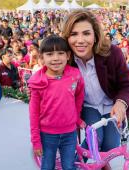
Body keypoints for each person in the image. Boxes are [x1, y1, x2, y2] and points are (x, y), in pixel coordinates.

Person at [61, 10, 129, 170]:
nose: (80, 40)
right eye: (74, 34)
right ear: (67, 37)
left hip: (111, 105)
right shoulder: (65, 59)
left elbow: (127, 84)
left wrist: (122, 103)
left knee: (110, 147)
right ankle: (72, 165)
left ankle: (101, 163)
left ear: (95, 36)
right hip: (87, 106)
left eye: (86, 33)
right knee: (95, 138)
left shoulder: (112, 53)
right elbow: (48, 77)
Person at [28, 35, 85, 170]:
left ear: (68, 55)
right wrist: (36, 140)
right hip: (47, 135)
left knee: (69, 166)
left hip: (70, 134)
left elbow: (79, 96)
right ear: (41, 58)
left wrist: (76, 118)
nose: (55, 58)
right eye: (49, 54)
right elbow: (33, 113)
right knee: (47, 166)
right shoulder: (37, 82)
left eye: (60, 53)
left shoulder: (75, 75)